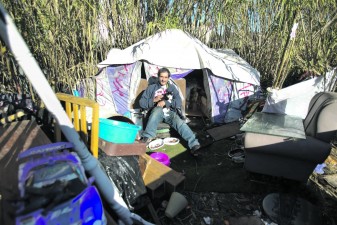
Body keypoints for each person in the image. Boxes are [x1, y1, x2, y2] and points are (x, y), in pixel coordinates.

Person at [139, 67, 201, 156]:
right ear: (158, 77)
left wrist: (166, 102)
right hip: (156, 112)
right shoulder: (151, 88)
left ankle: (194, 144)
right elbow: (142, 103)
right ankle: (147, 138)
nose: (163, 79)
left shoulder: (172, 88)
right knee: (157, 110)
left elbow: (179, 102)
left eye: (165, 77)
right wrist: (154, 100)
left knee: (179, 123)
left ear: (168, 78)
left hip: (169, 112)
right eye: (161, 76)